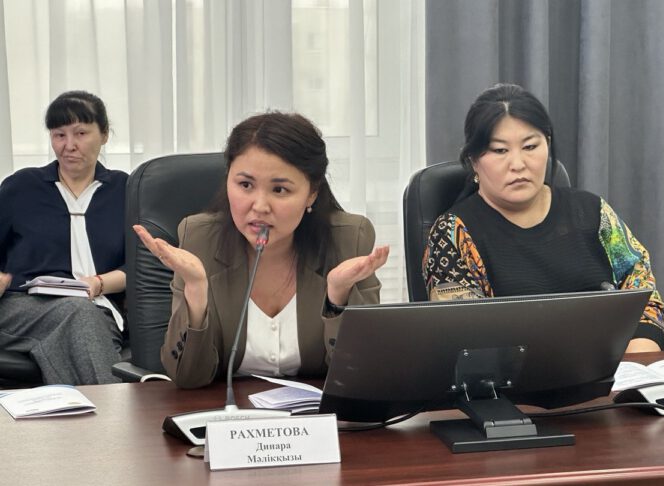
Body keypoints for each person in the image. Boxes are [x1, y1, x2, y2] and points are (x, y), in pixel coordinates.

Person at [134, 112, 389, 388]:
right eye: (245, 185)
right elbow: (187, 377)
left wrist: (338, 298)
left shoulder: (349, 240)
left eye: (279, 190)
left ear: (312, 193)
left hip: (318, 412)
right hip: (227, 409)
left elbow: (364, 376)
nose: (259, 206)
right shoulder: (199, 239)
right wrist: (196, 291)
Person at [423, 84, 664, 353]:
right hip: (516, 378)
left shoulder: (593, 212)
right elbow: (466, 339)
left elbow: (645, 294)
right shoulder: (454, 234)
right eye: (500, 150)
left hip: (614, 370)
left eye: (530, 146)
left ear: (548, 145)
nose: (518, 164)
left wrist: (637, 358)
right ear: (473, 160)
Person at [0, 90, 126, 384]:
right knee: (78, 316)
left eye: (80, 133)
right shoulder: (22, 187)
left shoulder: (125, 190)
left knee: (81, 327)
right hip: (20, 307)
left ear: (104, 135)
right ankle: (119, 412)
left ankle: (79, 413)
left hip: (98, 309)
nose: (69, 146)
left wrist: (98, 283)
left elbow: (143, 267)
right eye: (59, 135)